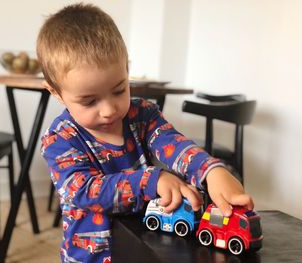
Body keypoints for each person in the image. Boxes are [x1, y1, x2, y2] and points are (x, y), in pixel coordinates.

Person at [38, 3, 254, 263]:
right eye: (89, 101)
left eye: (119, 90)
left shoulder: (143, 115)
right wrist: (150, 181)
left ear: (126, 70)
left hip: (140, 247)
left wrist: (211, 171)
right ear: (56, 92)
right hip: (89, 258)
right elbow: (84, 191)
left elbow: (174, 145)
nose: (108, 110)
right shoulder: (60, 139)